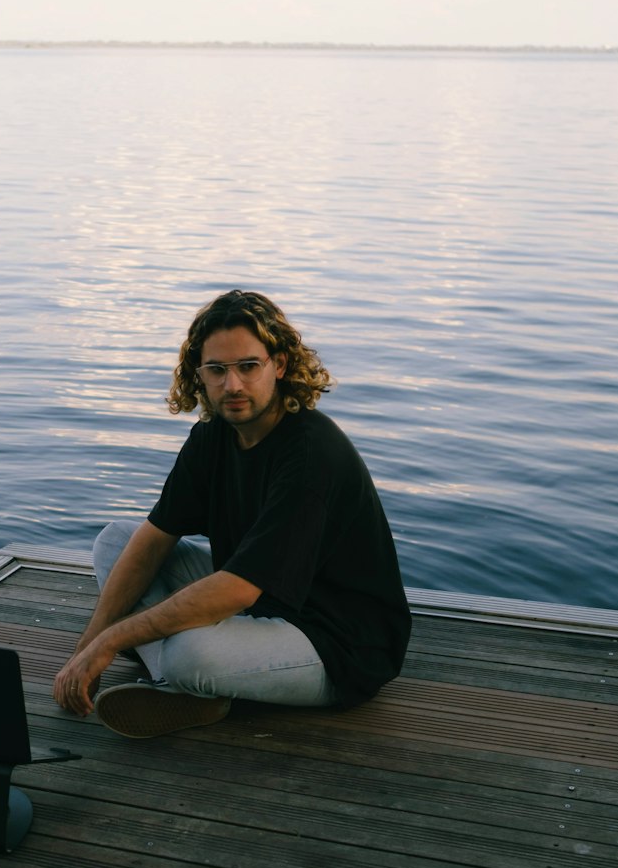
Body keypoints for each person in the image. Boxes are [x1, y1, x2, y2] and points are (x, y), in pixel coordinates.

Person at [52, 289, 411, 737]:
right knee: (117, 540)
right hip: (265, 604)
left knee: (188, 654)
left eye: (248, 366)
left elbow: (239, 589)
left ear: (278, 365)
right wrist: (86, 647)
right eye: (217, 370)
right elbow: (154, 537)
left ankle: (185, 676)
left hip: (337, 643)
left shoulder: (311, 454)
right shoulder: (214, 435)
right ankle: (201, 686)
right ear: (198, 374)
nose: (233, 385)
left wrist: (113, 640)